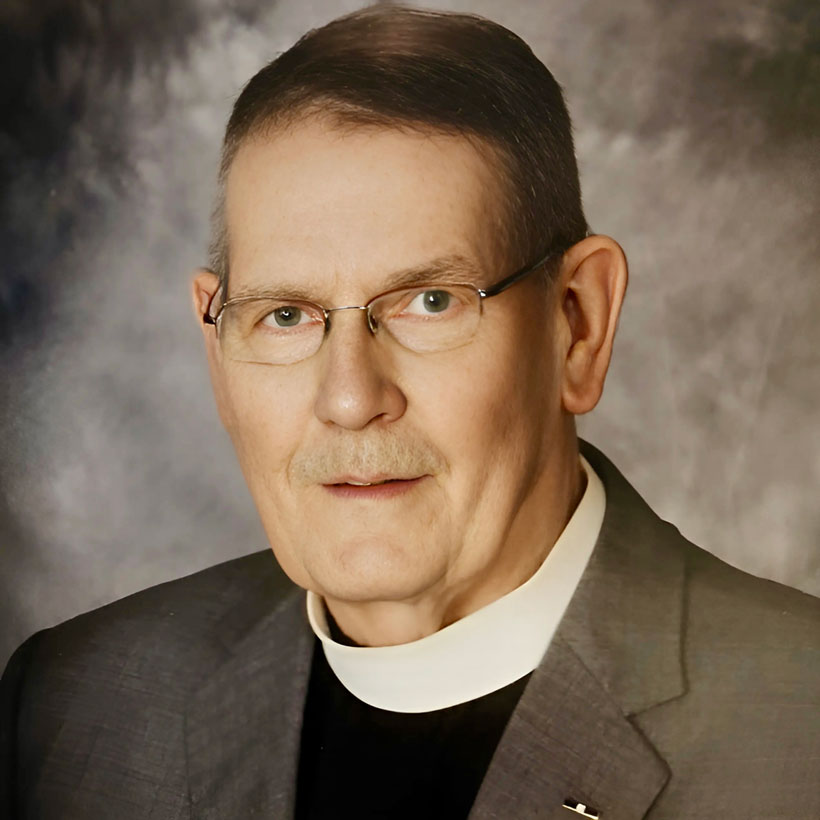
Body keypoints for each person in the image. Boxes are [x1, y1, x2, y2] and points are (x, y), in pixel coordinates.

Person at [2, 5, 818, 819]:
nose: (350, 399)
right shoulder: (73, 707)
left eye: (430, 301)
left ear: (578, 324)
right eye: (285, 315)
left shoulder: (798, 728)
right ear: (217, 351)